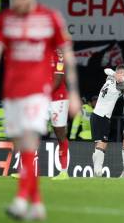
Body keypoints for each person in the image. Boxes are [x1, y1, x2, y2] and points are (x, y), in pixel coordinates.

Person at [0, 0, 81, 220]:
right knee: (23, 140)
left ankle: (22, 198)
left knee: (44, 135)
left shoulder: (50, 19)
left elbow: (67, 60)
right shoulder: (6, 19)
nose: (18, 1)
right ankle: (36, 203)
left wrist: (74, 93)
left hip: (44, 94)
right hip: (14, 91)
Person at [91, 65, 124, 177]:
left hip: (96, 115)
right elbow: (108, 71)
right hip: (103, 116)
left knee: (98, 145)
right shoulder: (119, 84)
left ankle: (96, 171)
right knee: (102, 144)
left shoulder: (110, 79)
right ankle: (98, 171)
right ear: (119, 73)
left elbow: (107, 70)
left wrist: (115, 74)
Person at [48, 49, 72, 180]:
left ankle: (64, 172)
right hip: (43, 98)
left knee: (60, 134)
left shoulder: (59, 55)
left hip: (58, 99)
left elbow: (58, 78)